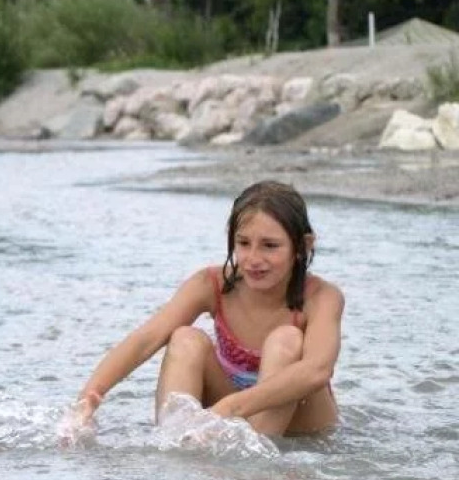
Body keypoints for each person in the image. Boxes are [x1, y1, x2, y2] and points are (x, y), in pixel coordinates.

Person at [70, 181, 342, 438]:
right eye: (244, 243)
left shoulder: (321, 296)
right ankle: (176, 444)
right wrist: (88, 398)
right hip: (231, 407)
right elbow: (147, 339)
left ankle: (256, 468)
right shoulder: (210, 284)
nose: (254, 259)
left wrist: (232, 407)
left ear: (302, 247)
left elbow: (317, 371)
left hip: (302, 419)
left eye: (270, 246)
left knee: (286, 338)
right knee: (185, 338)